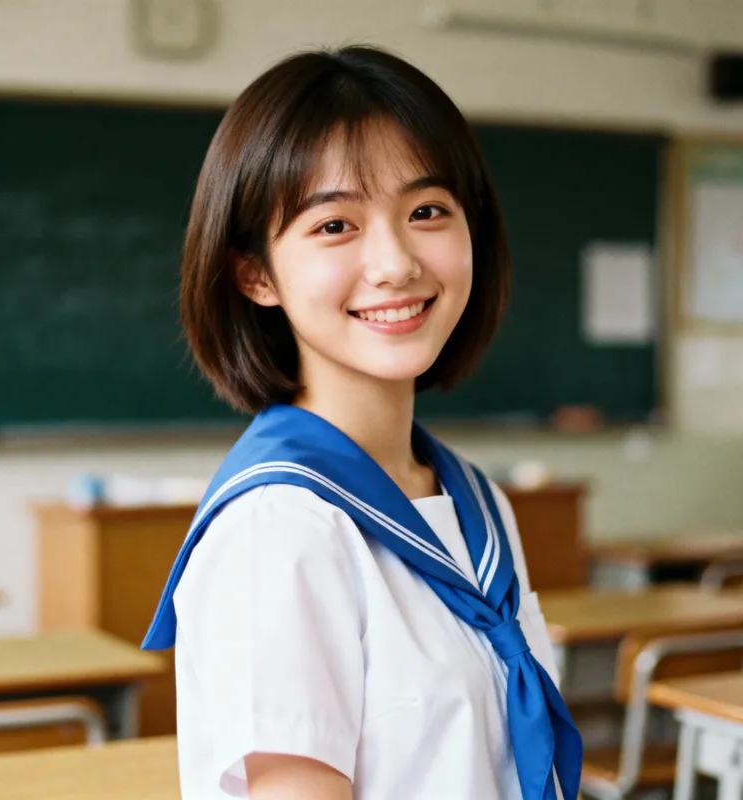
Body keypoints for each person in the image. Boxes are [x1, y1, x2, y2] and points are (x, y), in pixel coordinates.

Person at [143, 45, 582, 800]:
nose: (396, 263)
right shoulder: (278, 530)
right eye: (336, 225)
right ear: (255, 274)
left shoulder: (478, 503)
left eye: (426, 212)